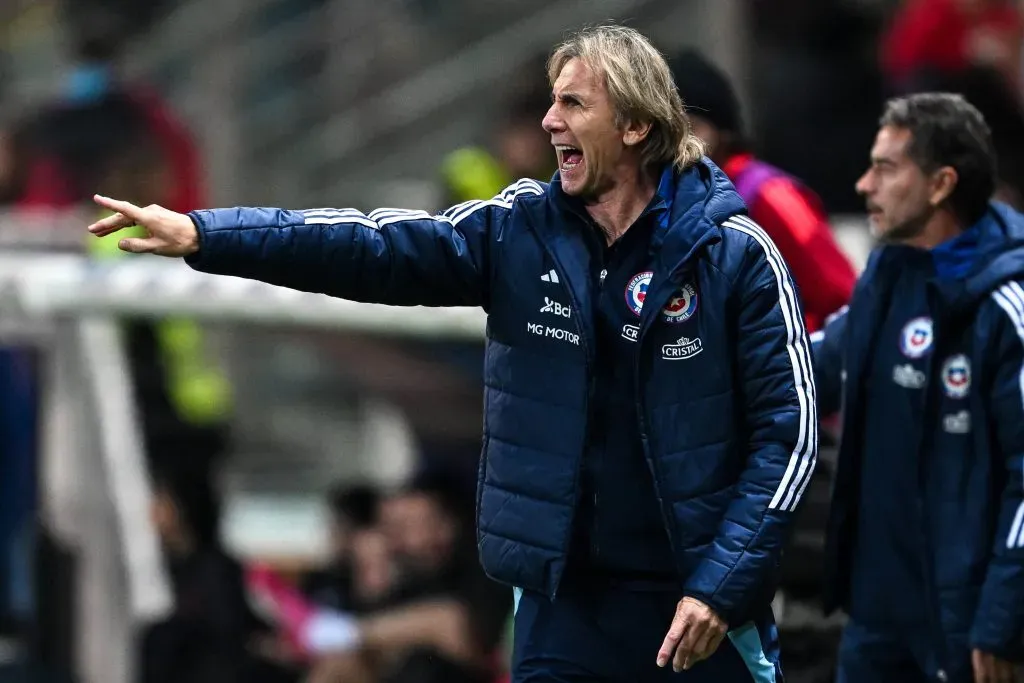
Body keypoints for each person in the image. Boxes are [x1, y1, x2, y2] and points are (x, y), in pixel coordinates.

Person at [87, 25, 816, 682]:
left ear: (634, 125)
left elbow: (789, 433)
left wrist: (720, 586)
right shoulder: (518, 230)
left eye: (572, 104)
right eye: (550, 101)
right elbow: (368, 246)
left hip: (694, 609)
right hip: (565, 611)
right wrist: (208, 235)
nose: (548, 121)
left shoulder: (736, 257)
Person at [813, 93, 1024, 683]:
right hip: (875, 617)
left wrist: (1004, 619)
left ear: (940, 184)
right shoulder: (887, 273)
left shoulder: (1008, 305)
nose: (863, 184)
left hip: (968, 629)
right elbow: (808, 377)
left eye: (884, 168)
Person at [671, 49, 857, 332]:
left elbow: (842, 298)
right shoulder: (667, 197)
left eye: (691, 128)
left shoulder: (772, 196)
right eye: (667, 130)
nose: (678, 144)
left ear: (725, 132)